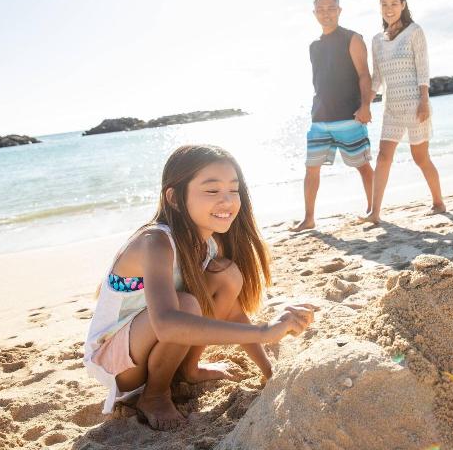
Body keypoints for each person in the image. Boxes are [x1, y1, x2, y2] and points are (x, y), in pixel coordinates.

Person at [84, 145, 314, 430]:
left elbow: (231, 311)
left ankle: (188, 370)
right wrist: (265, 333)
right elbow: (167, 324)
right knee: (185, 305)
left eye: (234, 190)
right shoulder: (155, 242)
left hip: (149, 346)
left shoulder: (206, 244)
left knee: (226, 275)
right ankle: (154, 395)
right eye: (212, 191)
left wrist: (269, 370)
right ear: (175, 198)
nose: (227, 201)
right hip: (118, 363)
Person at [291, 0, 375, 232]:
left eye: (330, 8)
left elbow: (363, 74)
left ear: (339, 10)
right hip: (320, 117)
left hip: (349, 116)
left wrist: (366, 105)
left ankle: (372, 209)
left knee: (362, 165)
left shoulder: (352, 38)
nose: (325, 13)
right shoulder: (313, 46)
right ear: (314, 12)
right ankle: (309, 218)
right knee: (311, 168)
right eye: (321, 9)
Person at [362, 0, 445, 224]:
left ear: (403, 5)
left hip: (416, 104)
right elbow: (377, 78)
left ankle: (438, 202)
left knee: (421, 158)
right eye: (384, 4)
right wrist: (366, 104)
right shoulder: (377, 40)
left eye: (394, 4)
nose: (389, 9)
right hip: (392, 108)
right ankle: (375, 212)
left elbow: (423, 68)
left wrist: (425, 101)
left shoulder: (414, 31)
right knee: (383, 157)